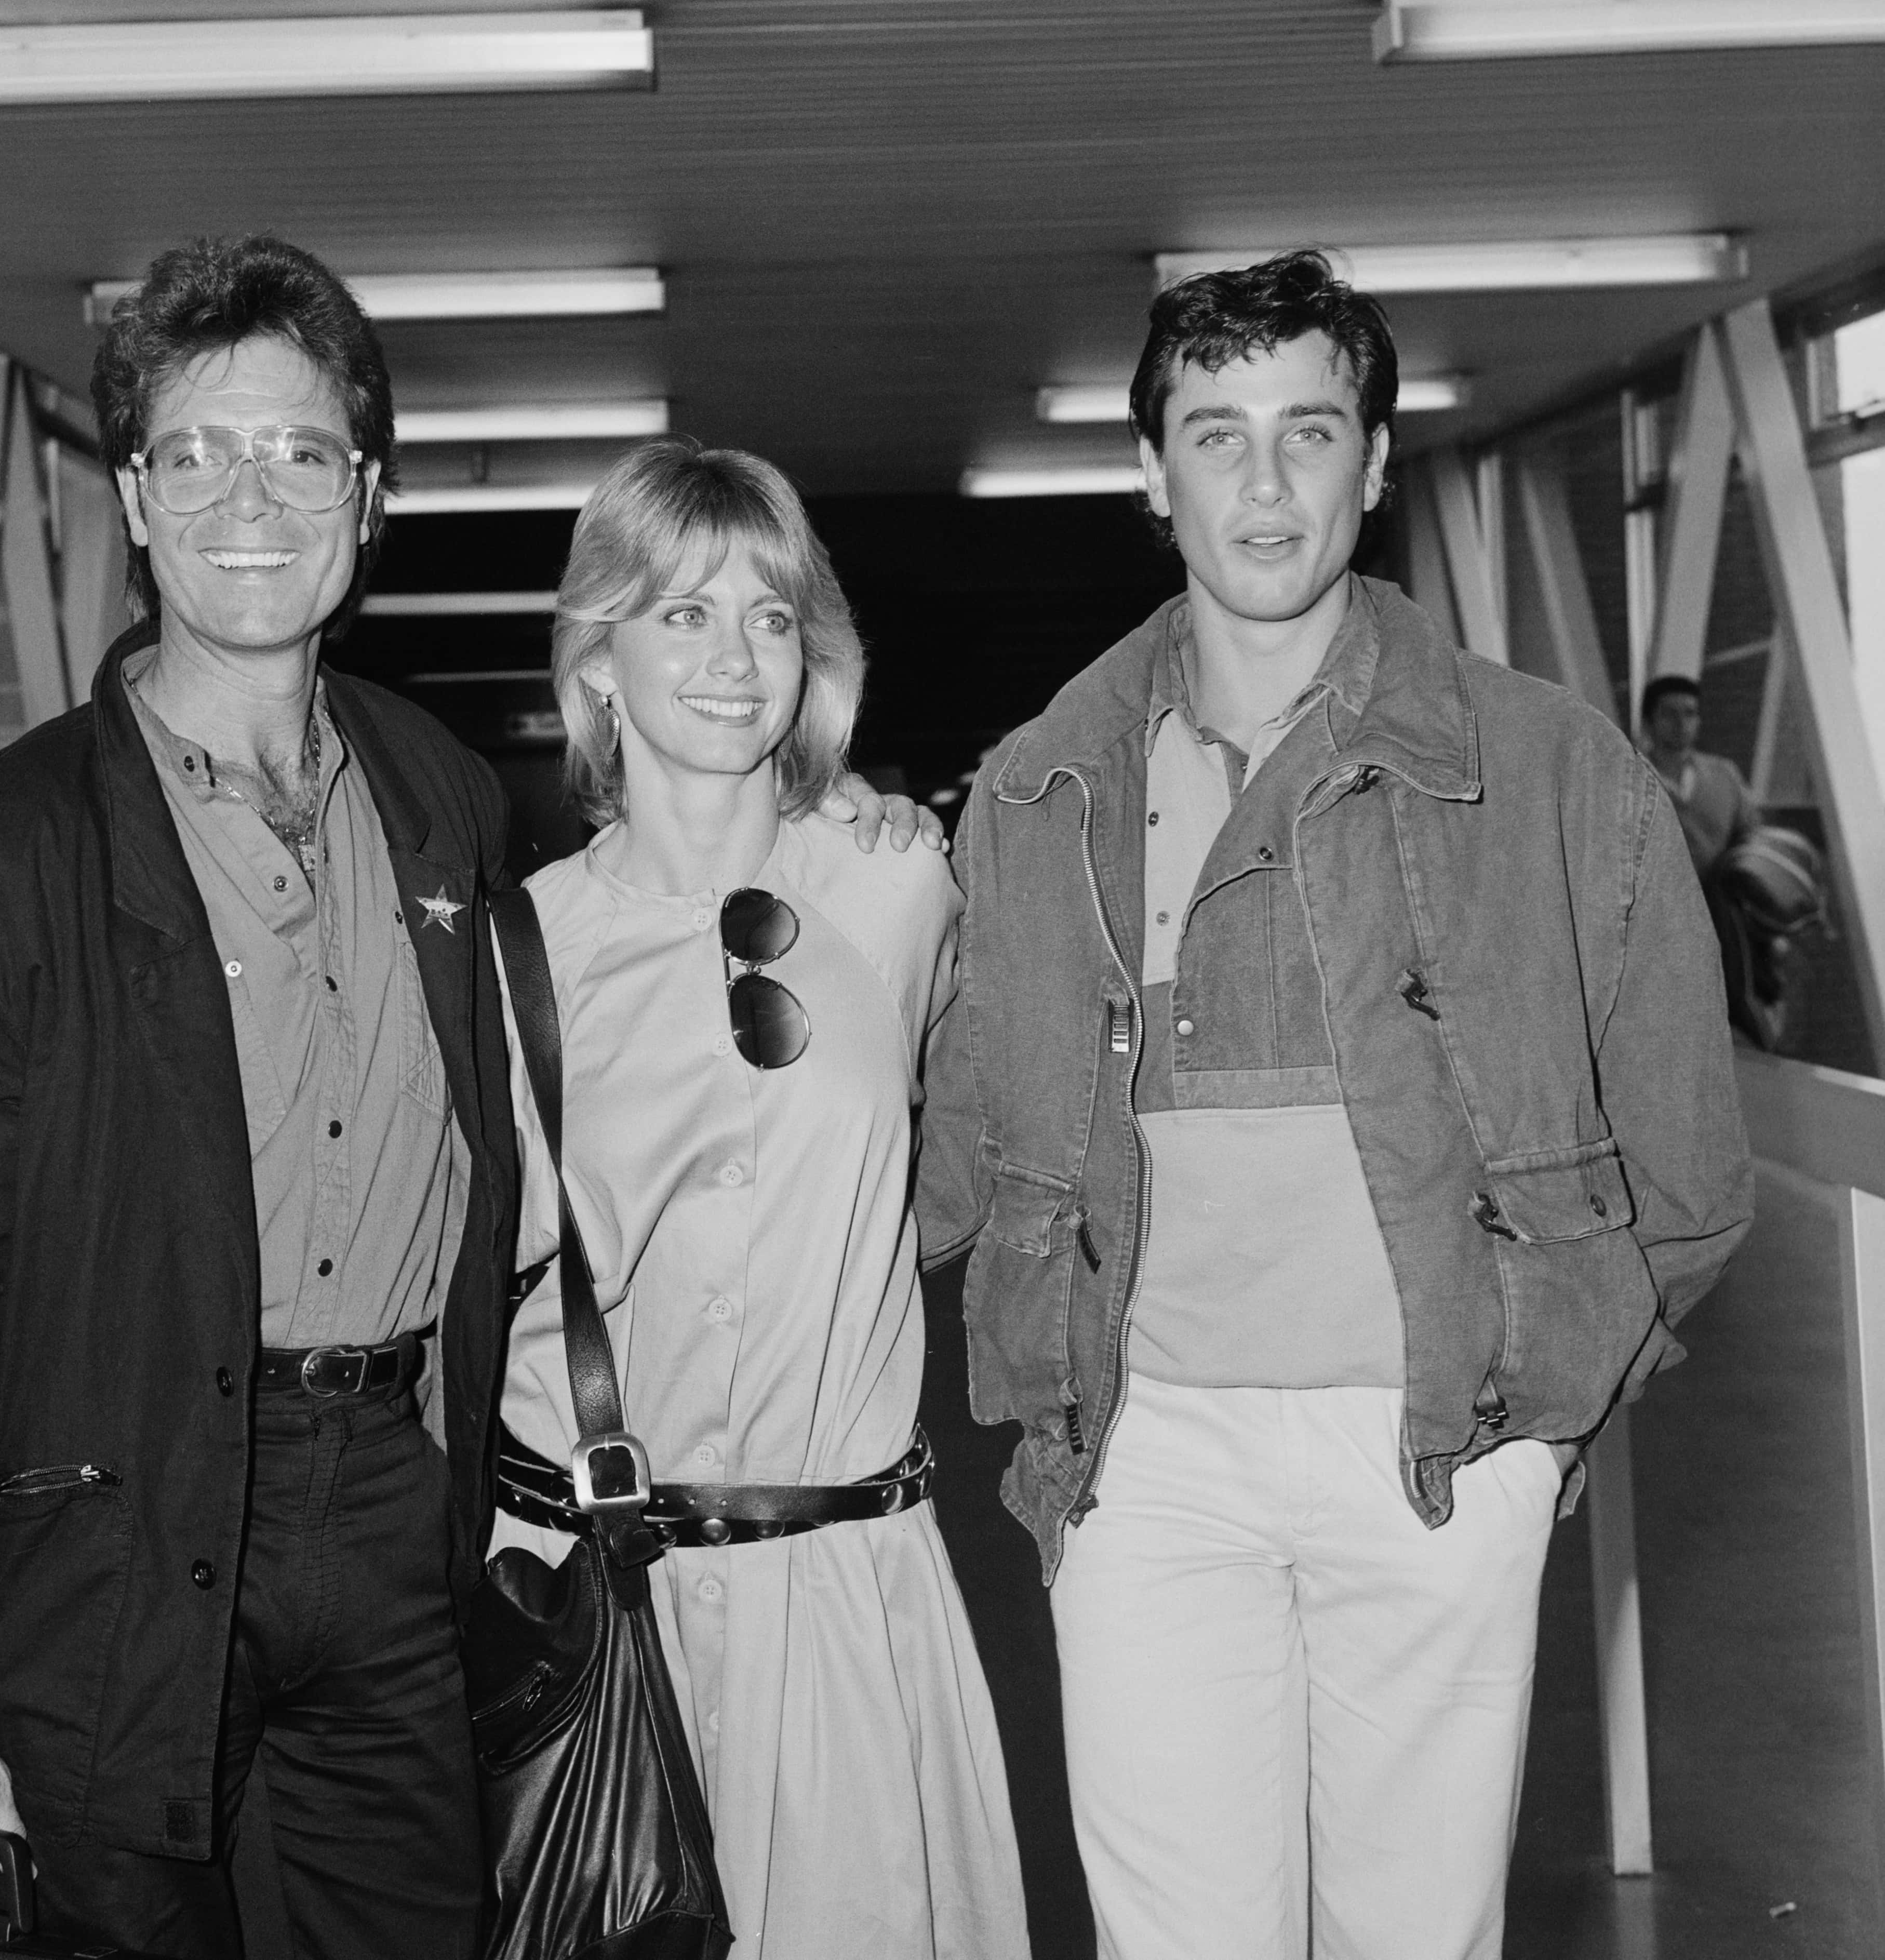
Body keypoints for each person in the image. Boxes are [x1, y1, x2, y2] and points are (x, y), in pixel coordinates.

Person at [0, 238, 931, 1958]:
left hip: (393, 1515)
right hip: (115, 1519)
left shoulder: (436, 802)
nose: (254, 498)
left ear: (369, 492)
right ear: (132, 493)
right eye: (199, 452)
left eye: (303, 453)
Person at [919, 250, 1754, 1960]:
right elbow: (958, 1139)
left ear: (1375, 464)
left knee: (1413, 1932)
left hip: (1430, 1450)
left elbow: (1690, 1160)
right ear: (1150, 474)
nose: (1266, 479)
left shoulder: (1551, 771)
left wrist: (1547, 1394)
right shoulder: (1035, 790)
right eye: (1215, 434)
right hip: (1143, 1458)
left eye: (1310, 430)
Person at [489, 438, 1031, 1959]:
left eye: (772, 615)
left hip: (843, 1595)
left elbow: (985, 1153)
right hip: (592, 1609)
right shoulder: (518, 945)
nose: (734, 658)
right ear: (597, 655)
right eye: (682, 613)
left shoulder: (903, 887)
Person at [1640, 672, 1760, 878]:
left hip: (1719, 903)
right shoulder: (1631, 779)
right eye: (1669, 714)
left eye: (1690, 713)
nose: (1681, 723)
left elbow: (1751, 837)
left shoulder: (1725, 775)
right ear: (1648, 722)